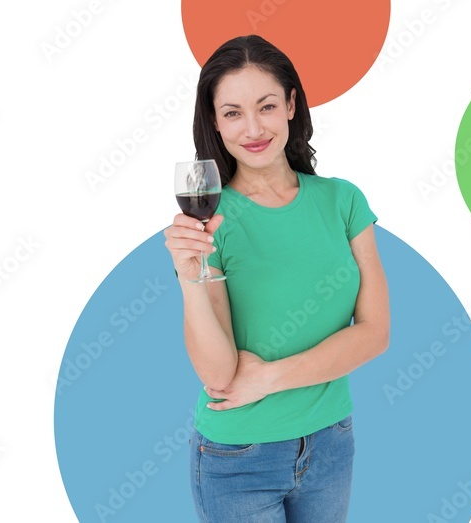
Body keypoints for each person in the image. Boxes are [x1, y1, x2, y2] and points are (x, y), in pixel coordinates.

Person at [163, 34, 390, 522]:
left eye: (266, 106)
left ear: (291, 104)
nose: (252, 128)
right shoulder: (213, 223)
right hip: (238, 458)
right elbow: (219, 376)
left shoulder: (342, 201)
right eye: (232, 113)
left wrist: (268, 378)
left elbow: (375, 333)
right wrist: (190, 278)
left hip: (331, 443)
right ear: (215, 124)